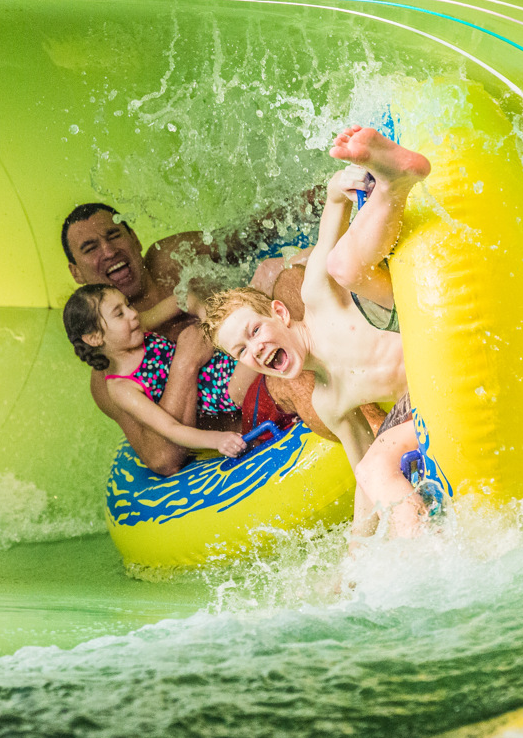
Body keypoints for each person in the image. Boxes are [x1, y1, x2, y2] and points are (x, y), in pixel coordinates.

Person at [202, 127, 432, 538]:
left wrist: (336, 188)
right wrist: (355, 555)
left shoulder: (316, 299)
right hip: (422, 400)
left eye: (255, 331)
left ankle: (393, 180)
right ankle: (424, 558)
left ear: (279, 313)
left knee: (341, 266)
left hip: (419, 327)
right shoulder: (328, 401)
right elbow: (365, 472)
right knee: (375, 468)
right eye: (241, 351)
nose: (255, 349)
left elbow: (330, 227)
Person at [61, 199, 319, 475]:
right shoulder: (108, 379)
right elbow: (163, 458)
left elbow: (244, 236)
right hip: (249, 401)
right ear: (76, 271)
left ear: (134, 238)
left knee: (284, 280)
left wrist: (306, 200)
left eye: (114, 235)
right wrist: (186, 361)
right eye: (90, 248)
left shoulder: (170, 260)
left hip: (267, 348)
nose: (109, 250)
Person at [63, 283, 257, 460]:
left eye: (128, 305)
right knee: (263, 341)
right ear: (95, 338)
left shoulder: (138, 328)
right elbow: (170, 428)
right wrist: (217, 440)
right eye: (119, 314)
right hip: (226, 390)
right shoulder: (121, 387)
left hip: (225, 357)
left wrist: (204, 312)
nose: (133, 314)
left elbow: (182, 296)